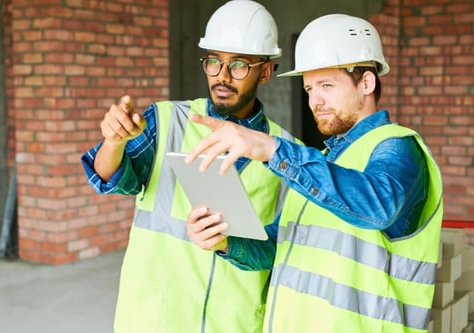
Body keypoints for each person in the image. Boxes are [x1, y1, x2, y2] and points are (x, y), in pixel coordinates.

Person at [185, 14, 443, 333]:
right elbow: (279, 245)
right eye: (309, 89)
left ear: (367, 82)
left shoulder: (397, 148)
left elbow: (378, 207)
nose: (315, 101)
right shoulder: (321, 163)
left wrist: (273, 149)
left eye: (326, 86)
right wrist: (224, 243)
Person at [81, 1, 297, 332]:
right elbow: (108, 179)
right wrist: (114, 141)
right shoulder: (168, 120)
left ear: (265, 72)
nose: (222, 76)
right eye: (214, 62)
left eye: (238, 65)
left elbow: (278, 250)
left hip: (233, 324)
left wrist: (229, 244)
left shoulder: (287, 152)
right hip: (155, 320)